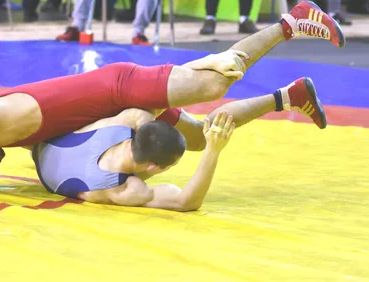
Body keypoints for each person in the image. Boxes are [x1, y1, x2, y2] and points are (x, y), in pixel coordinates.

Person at [0, 0, 345, 190]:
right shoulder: (10, 138)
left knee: (213, 82)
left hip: (117, 86)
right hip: (122, 108)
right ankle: (290, 95)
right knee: (203, 138)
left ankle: (293, 21)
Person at [34, 76, 326, 211]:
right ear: (153, 167)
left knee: (161, 102)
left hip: (44, 147)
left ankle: (284, 97)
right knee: (202, 131)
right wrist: (213, 150)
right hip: (50, 153)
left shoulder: (124, 121)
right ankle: (282, 97)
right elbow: (187, 202)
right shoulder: (124, 189)